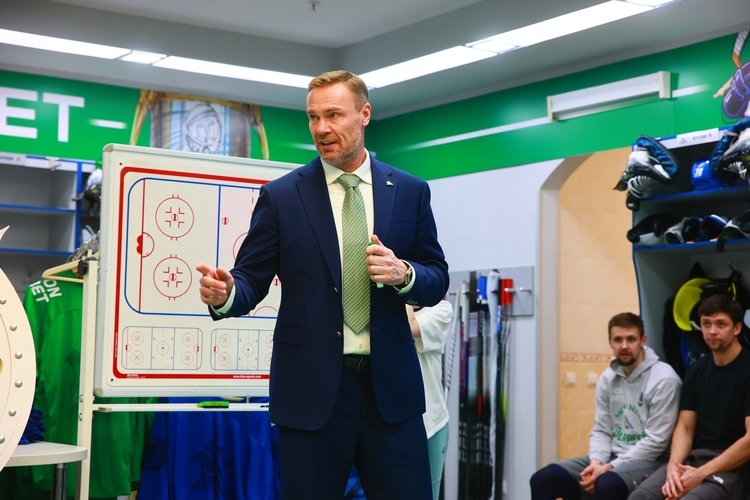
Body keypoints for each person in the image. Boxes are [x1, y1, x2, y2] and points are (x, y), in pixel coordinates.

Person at [196, 70, 449, 500]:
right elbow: (251, 279)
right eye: (313, 117)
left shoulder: (409, 191)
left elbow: (436, 277)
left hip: (391, 394)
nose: (321, 128)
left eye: (333, 115)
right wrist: (227, 294)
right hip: (310, 394)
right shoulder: (282, 196)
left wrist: (404, 273)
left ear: (364, 114)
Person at [530, 312, 682, 500]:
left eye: (631, 339)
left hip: (651, 460)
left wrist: (609, 467)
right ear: (610, 342)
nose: (624, 346)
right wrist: (596, 462)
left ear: (643, 341)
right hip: (612, 457)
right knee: (544, 479)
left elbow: (656, 442)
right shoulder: (608, 378)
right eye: (618, 340)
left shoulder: (665, 379)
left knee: (606, 483)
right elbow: (602, 430)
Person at [628, 294, 750, 500]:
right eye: (706, 324)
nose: (712, 331)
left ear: (737, 328)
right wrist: (673, 467)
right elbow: (685, 427)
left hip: (733, 467)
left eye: (721, 324)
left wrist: (700, 474)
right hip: (695, 459)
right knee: (640, 496)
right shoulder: (696, 369)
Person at [406, 300, 454, 500]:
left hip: (431, 425)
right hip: (393, 424)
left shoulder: (441, 309)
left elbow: (408, 328)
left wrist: (400, 292)